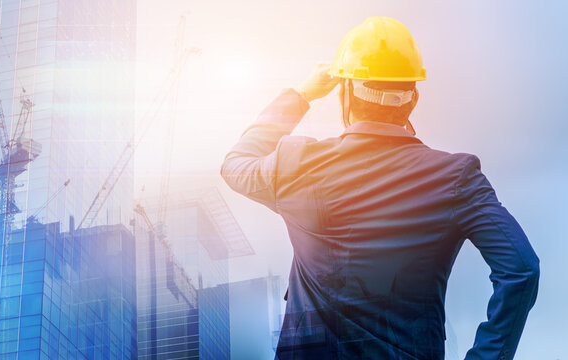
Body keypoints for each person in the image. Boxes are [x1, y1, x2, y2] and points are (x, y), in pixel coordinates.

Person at [221, 17, 539, 360]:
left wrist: (302, 95)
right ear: (412, 99)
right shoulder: (455, 178)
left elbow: (235, 163)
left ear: (345, 94)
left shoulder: (298, 163)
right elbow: (521, 269)